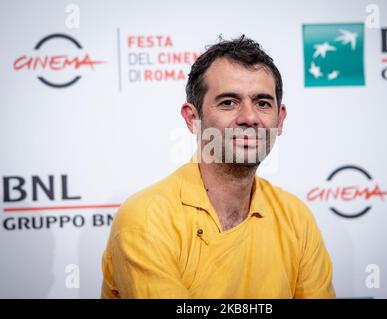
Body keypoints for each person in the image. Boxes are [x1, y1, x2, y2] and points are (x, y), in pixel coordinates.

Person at [101, 35, 336, 299]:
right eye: (228, 102)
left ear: (279, 120)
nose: (249, 117)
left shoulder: (296, 217)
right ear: (193, 119)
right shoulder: (146, 218)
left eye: (262, 103)